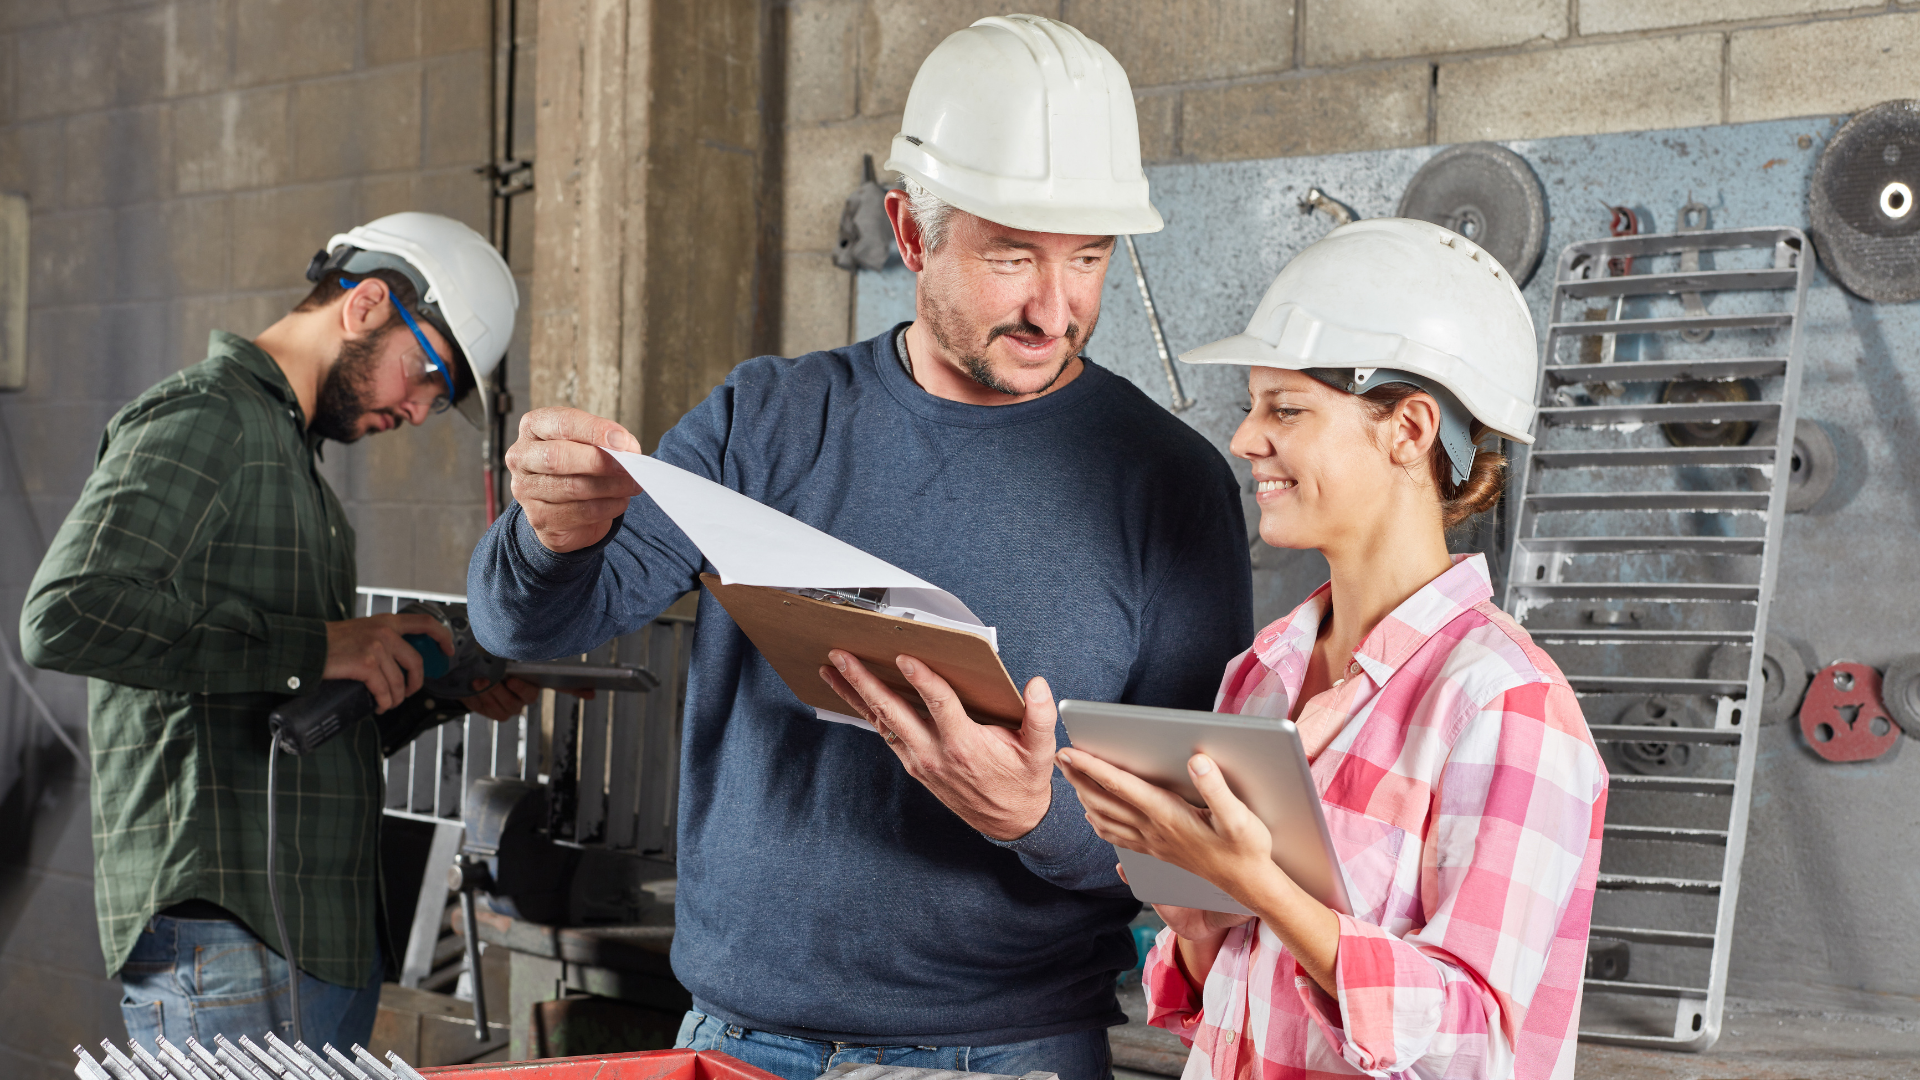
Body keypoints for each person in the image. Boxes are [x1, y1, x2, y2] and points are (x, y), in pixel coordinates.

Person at [466, 15, 1251, 1080]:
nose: (1055, 307)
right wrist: (551, 535)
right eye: (1012, 255)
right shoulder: (768, 420)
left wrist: (1038, 816)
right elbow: (526, 624)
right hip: (735, 1041)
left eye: (1089, 258)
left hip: (1006, 1055)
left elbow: (1197, 846)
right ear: (912, 232)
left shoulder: (1171, 486)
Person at [1047, 219, 1608, 1079]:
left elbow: (1472, 1042)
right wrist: (1197, 907)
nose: (1244, 439)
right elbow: (1226, 1001)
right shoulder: (1264, 675)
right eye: (1251, 406)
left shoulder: (1503, 702)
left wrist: (1263, 886)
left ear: (1409, 429)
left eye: (1287, 408)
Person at [21, 213, 541, 1051]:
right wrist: (323, 645)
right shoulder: (209, 418)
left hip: (314, 939)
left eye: (435, 401)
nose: (416, 411)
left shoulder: (298, 474)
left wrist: (434, 689)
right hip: (230, 930)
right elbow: (64, 614)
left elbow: (281, 719)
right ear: (368, 305)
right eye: (427, 374)